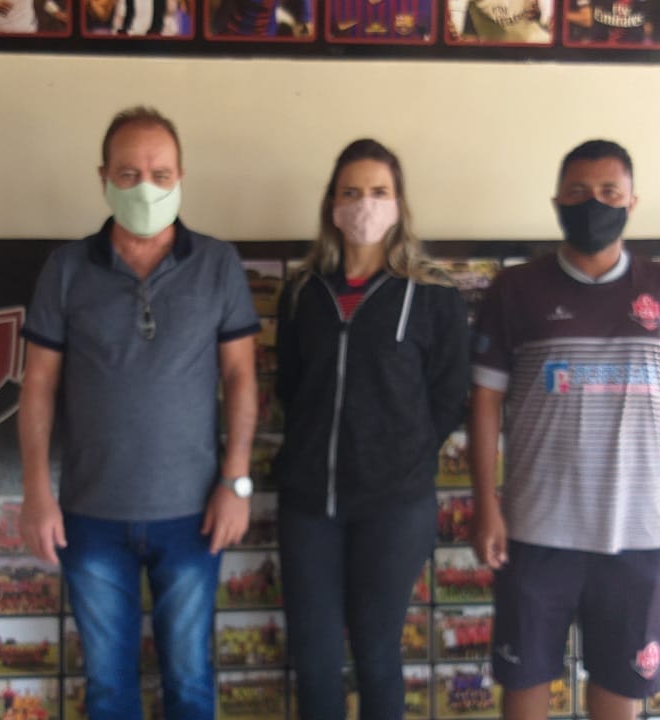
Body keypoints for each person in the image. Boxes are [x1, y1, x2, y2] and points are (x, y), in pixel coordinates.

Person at [16, 106, 260, 720]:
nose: (145, 187)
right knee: (108, 690)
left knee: (191, 683)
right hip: (90, 517)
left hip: (194, 516)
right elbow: (38, 384)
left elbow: (240, 376)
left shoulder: (217, 264)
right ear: (103, 177)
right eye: (128, 174)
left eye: (160, 173)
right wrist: (36, 492)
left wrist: (236, 481)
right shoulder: (66, 269)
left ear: (181, 177)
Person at [468, 139, 660, 720]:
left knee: (620, 693)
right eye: (579, 192)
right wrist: (485, 503)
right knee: (523, 686)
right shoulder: (515, 290)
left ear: (633, 202)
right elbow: (484, 400)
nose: (594, 203)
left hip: (636, 537)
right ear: (557, 202)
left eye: (609, 192)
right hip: (534, 533)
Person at [274, 138, 471, 719]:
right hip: (309, 504)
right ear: (332, 205)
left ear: (399, 204)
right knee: (314, 661)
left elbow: (449, 395)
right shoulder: (302, 292)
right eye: (352, 192)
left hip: (394, 507)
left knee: (377, 655)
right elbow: (290, 386)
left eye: (379, 192)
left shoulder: (434, 294)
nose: (365, 204)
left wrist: (403, 454)